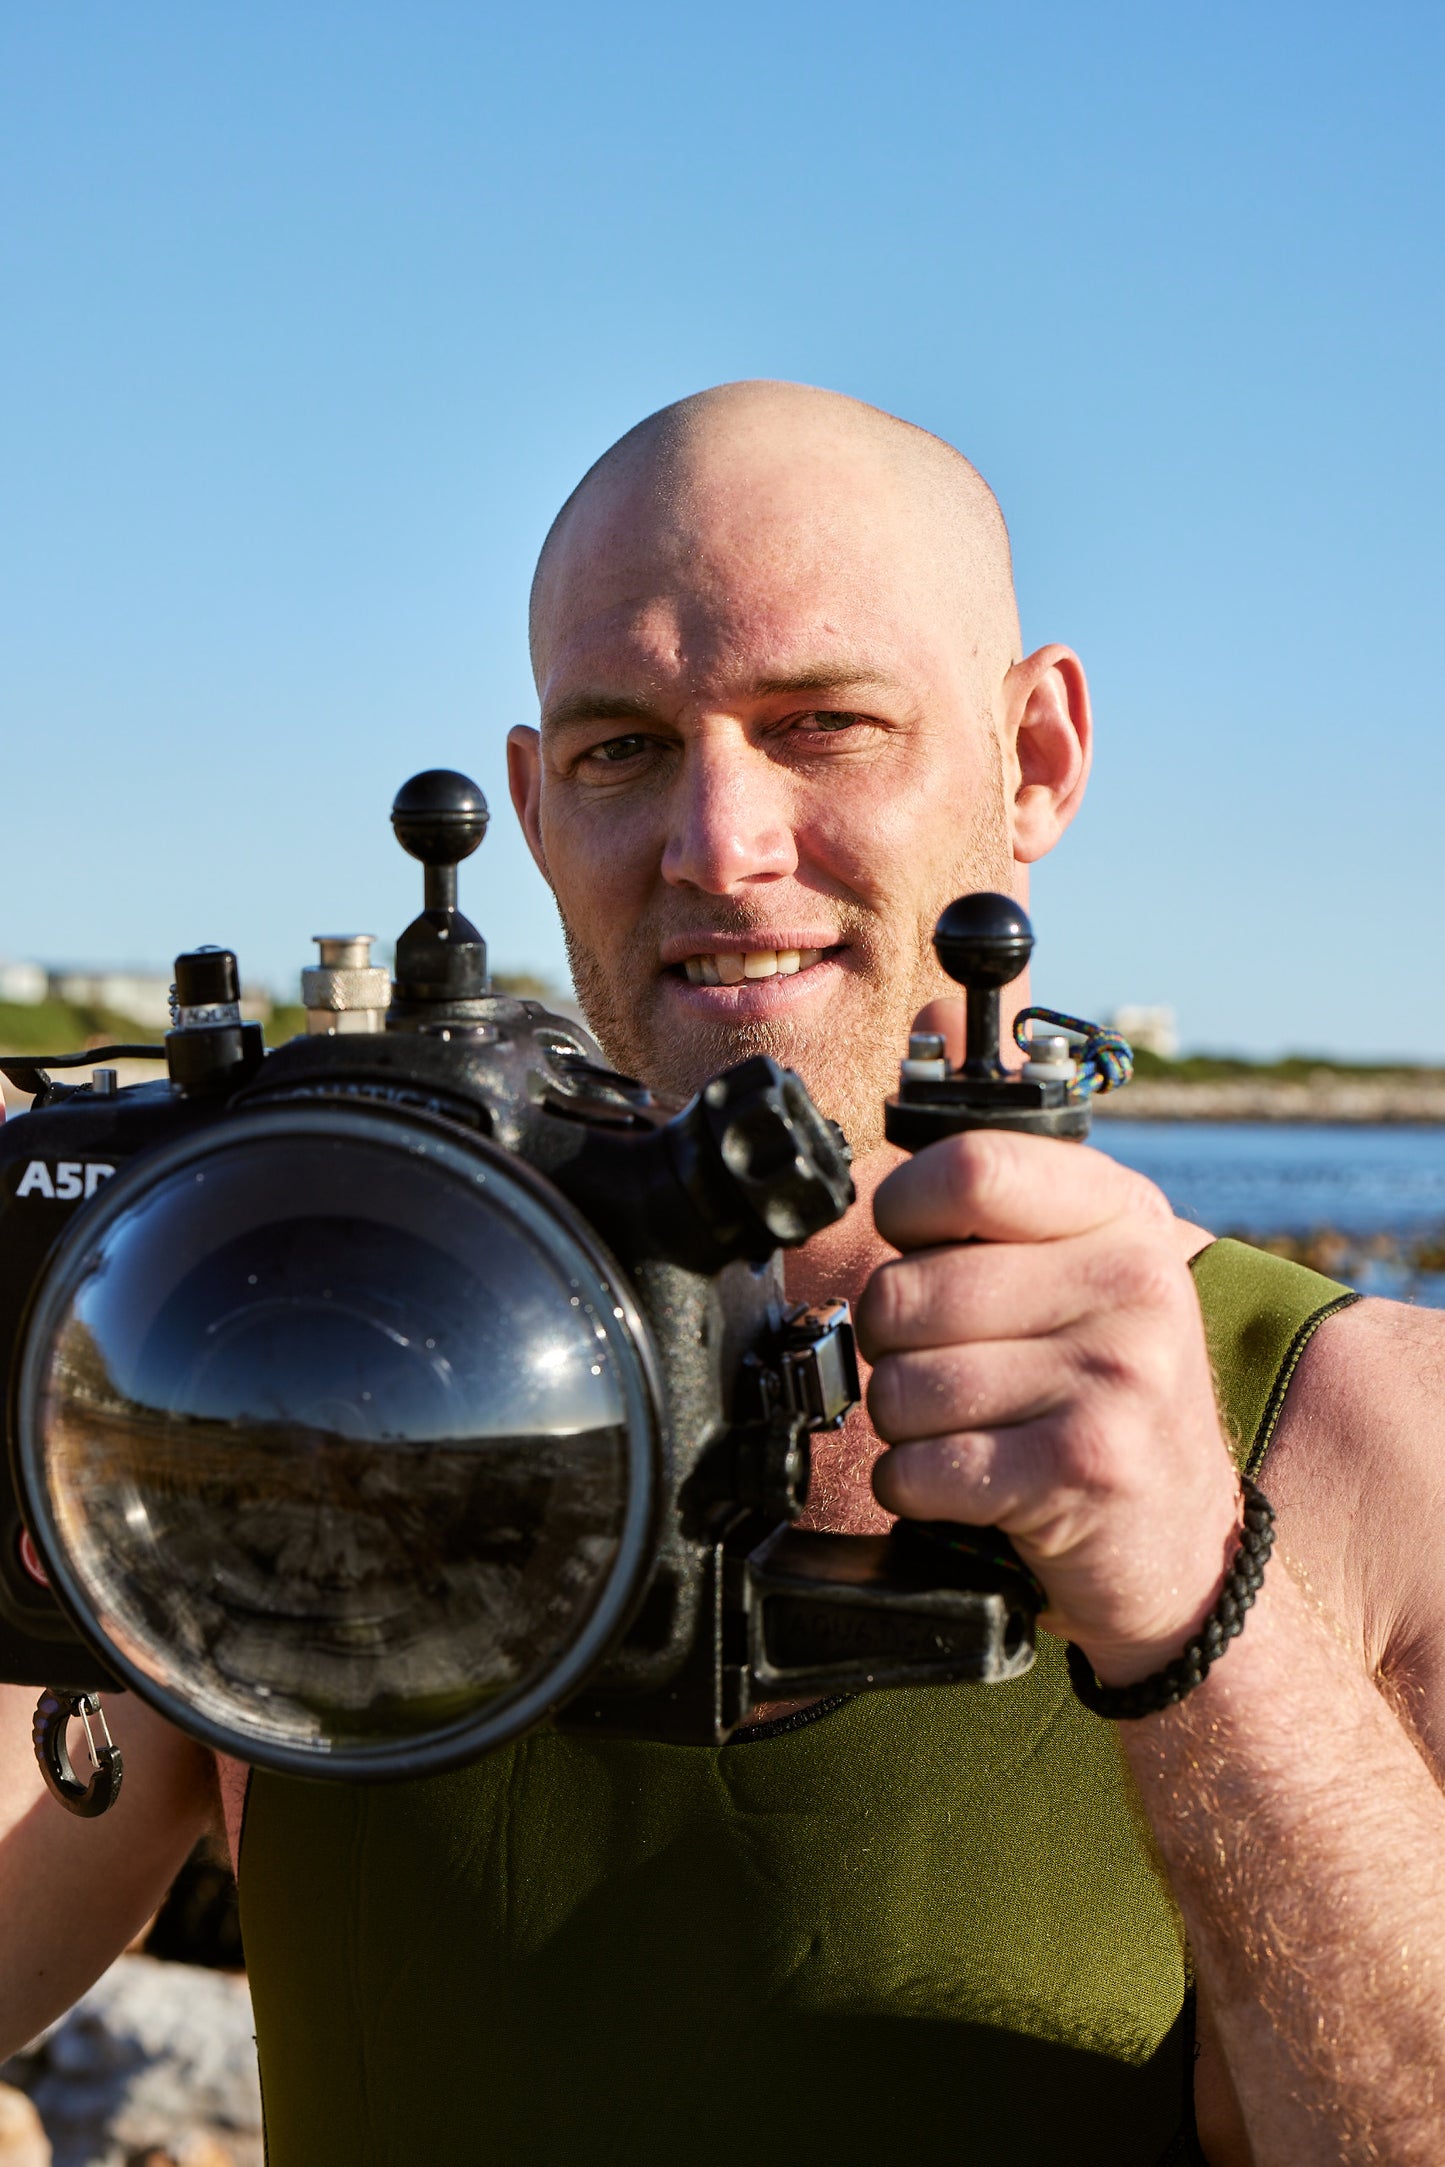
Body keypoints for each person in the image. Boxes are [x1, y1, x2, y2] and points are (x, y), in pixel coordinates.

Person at [3, 380, 1444, 2165]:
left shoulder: (1362, 1435)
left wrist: (1192, 1602)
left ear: (1036, 757)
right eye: (620, 749)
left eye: (820, 726)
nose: (716, 846)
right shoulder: (285, 1357)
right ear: (529, 809)